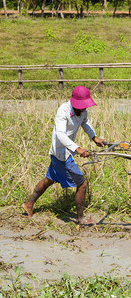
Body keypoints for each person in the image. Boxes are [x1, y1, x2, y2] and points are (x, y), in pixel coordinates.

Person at [22, 86, 105, 225]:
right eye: (82, 106)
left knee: (49, 179)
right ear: (75, 103)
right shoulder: (63, 111)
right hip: (60, 152)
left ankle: (29, 204)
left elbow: (85, 123)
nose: (84, 109)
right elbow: (60, 135)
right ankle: (80, 219)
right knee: (82, 184)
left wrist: (94, 137)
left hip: (66, 151)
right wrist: (77, 148)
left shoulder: (83, 112)